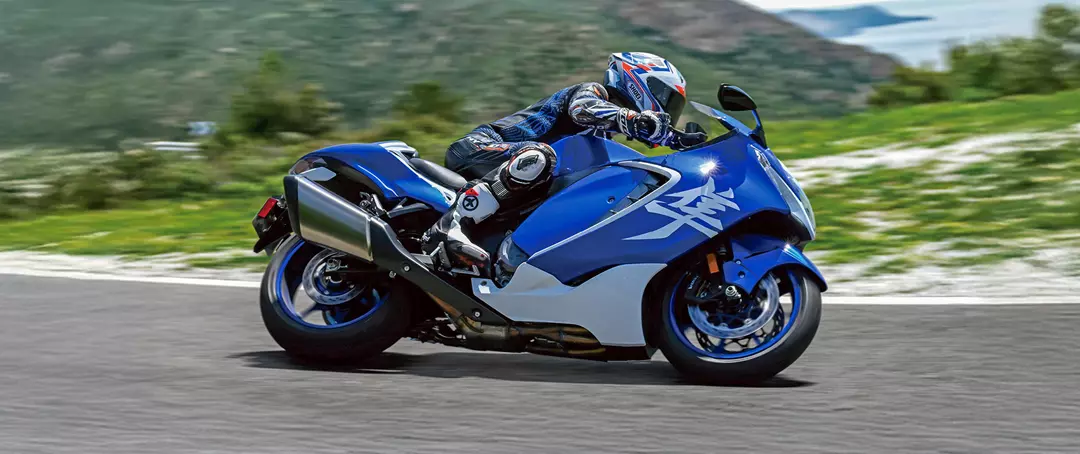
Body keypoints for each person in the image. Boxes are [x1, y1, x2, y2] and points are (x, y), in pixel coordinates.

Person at [422, 52, 706, 277]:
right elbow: (584, 111)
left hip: (511, 174)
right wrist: (636, 120)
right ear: (638, 80)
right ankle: (453, 223)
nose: (666, 110)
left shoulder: (603, 135)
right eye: (666, 99)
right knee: (542, 157)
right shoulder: (593, 94)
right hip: (479, 148)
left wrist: (681, 142)